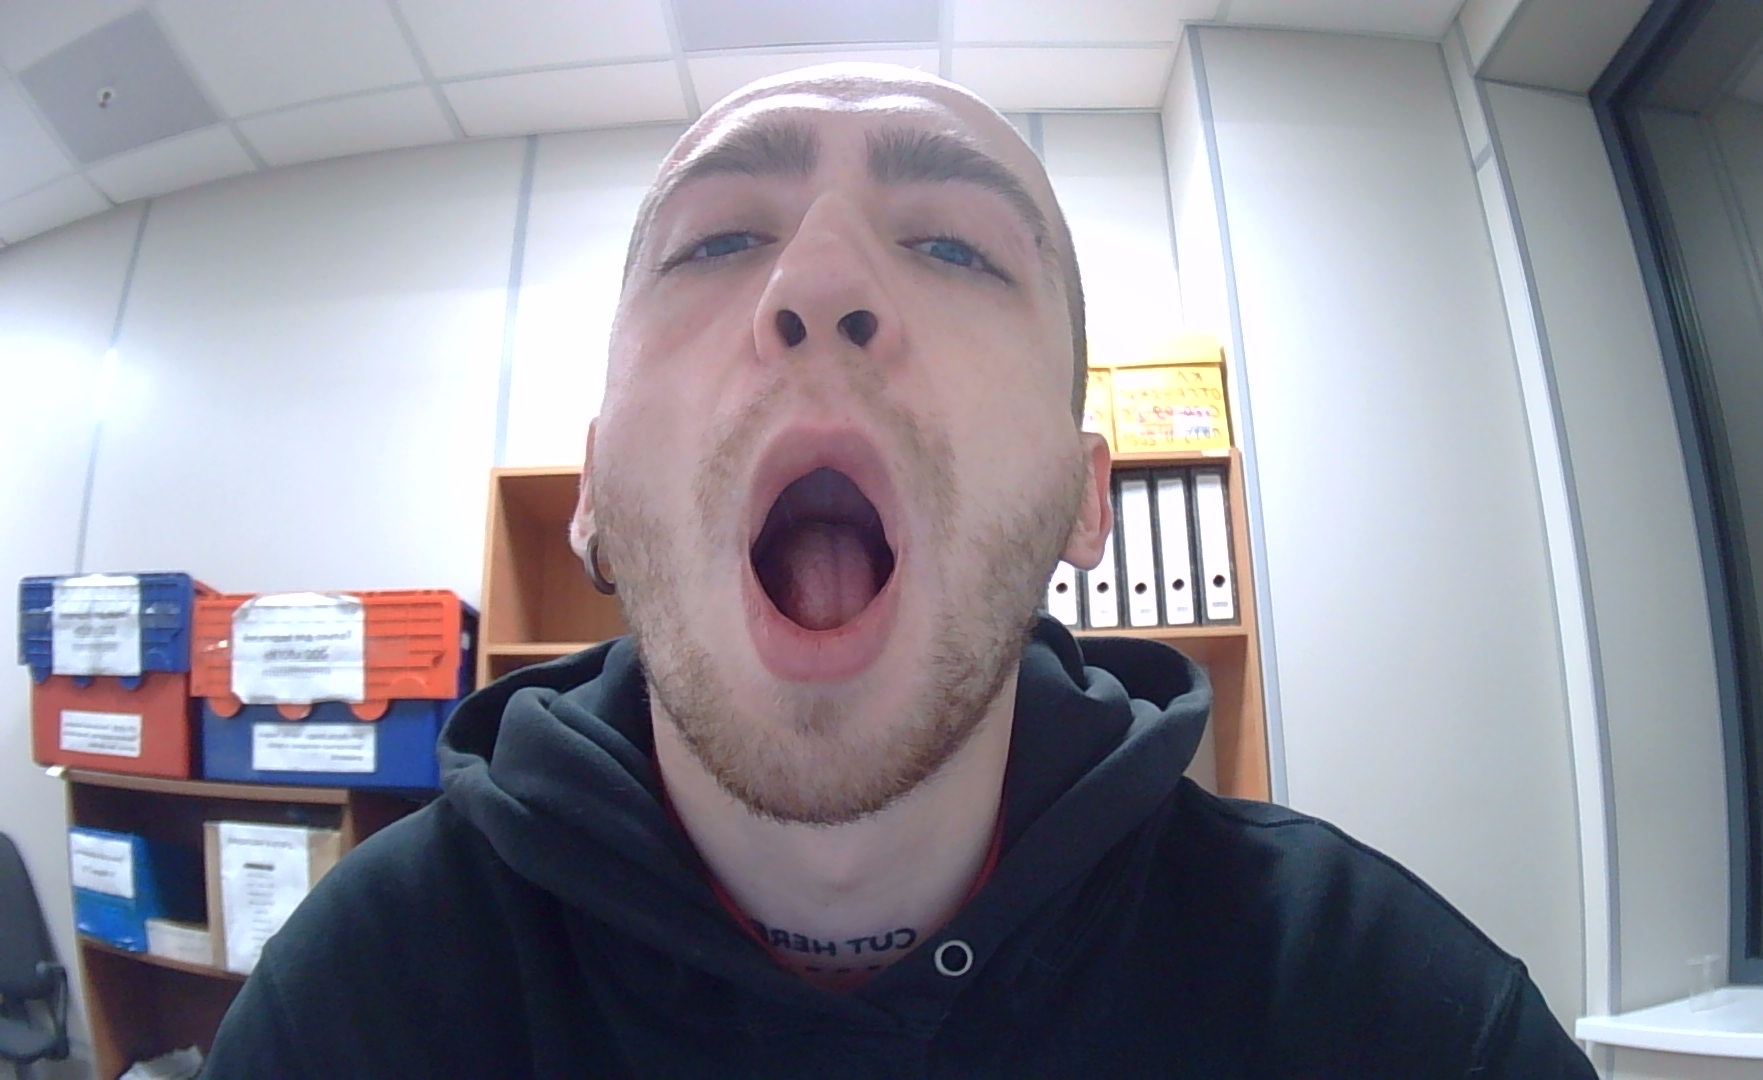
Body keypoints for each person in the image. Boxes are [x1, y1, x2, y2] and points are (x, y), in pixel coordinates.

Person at [202, 63, 1599, 1078]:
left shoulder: (1386, 1013)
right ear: (594, 497)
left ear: (1084, 498)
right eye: (722, 238)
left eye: (952, 245)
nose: (819, 281)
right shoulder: (353, 1009)